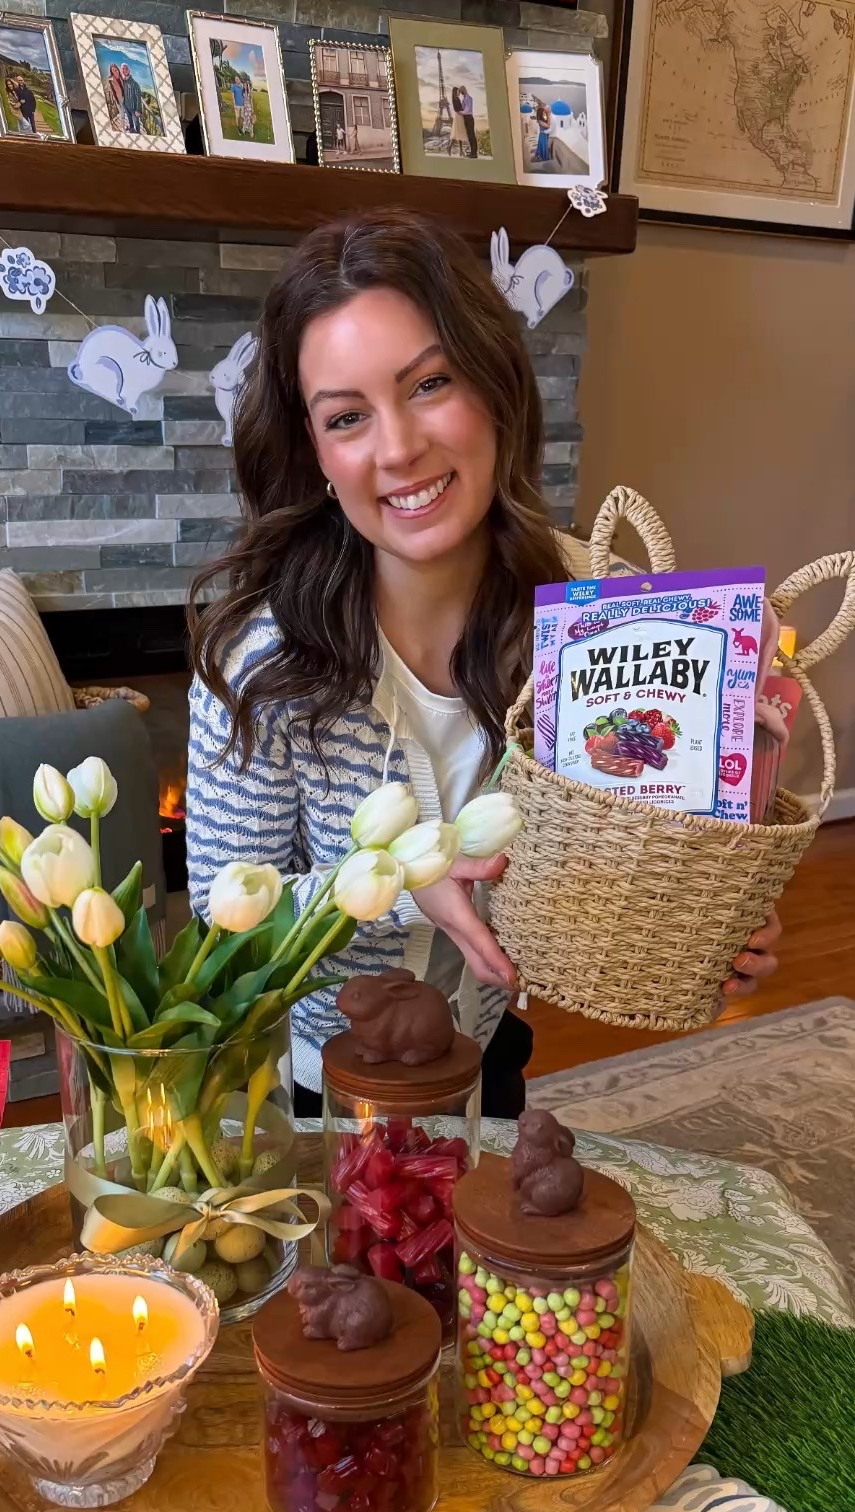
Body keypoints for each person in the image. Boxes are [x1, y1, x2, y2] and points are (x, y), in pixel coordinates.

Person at [185, 213, 782, 1117]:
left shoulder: (609, 617)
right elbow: (224, 916)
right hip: (316, 1093)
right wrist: (401, 888)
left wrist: (713, 914)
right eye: (347, 416)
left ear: (494, 383)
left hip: (492, 1053)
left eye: (429, 383)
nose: (396, 449)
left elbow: (644, 830)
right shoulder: (260, 656)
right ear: (316, 451)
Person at [120, 62, 142, 134]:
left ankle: (138, 132)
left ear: (129, 70)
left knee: (136, 122)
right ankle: (131, 128)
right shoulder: (123, 81)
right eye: (123, 69)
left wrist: (138, 110)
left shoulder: (134, 84)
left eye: (126, 69)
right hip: (126, 106)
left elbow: (138, 98)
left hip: (134, 108)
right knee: (129, 119)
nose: (124, 70)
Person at [460, 82, 477, 158]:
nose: (461, 93)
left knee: (471, 135)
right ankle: (472, 152)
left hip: (469, 118)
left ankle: (474, 153)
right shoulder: (464, 99)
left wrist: (461, 112)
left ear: (464, 90)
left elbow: (468, 110)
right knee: (470, 136)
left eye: (461, 92)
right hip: (466, 118)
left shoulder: (468, 98)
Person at [448, 86, 467, 157]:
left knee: (459, 133)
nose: (459, 92)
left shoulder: (457, 98)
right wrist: (462, 112)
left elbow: (460, 108)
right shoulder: (455, 99)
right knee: (457, 132)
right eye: (458, 91)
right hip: (458, 116)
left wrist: (463, 109)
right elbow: (456, 109)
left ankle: (461, 150)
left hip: (459, 115)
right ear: (455, 92)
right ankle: (450, 147)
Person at [534, 96, 552, 166]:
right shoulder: (540, 121)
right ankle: (542, 157)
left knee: (542, 146)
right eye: (543, 113)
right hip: (543, 135)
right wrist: (548, 115)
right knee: (543, 145)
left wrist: (548, 115)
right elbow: (548, 126)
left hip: (544, 134)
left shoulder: (542, 119)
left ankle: (539, 156)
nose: (544, 113)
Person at [107, 61, 125, 129]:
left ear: (117, 69)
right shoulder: (111, 79)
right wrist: (116, 100)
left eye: (115, 69)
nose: (115, 71)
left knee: (126, 111)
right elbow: (111, 89)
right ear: (111, 72)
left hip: (125, 97)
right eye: (113, 70)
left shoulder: (121, 77)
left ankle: (128, 126)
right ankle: (123, 127)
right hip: (118, 98)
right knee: (122, 113)